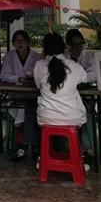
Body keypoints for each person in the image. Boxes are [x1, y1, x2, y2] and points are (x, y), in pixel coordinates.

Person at [33, 32, 90, 169]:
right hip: (71, 117)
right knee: (79, 118)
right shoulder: (74, 66)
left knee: (40, 117)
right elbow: (84, 79)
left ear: (44, 49)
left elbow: (37, 84)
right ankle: (76, 158)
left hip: (46, 117)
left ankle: (43, 157)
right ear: (64, 48)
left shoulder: (39, 65)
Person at [0, 30, 42, 162]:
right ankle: (34, 146)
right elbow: (3, 75)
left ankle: (24, 144)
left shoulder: (37, 57)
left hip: (33, 94)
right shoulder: (9, 56)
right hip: (16, 93)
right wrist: (17, 78)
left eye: (23, 40)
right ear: (13, 43)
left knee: (30, 109)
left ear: (28, 42)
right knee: (25, 109)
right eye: (17, 41)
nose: (20, 43)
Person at [63, 28, 96, 162]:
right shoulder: (63, 58)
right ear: (68, 45)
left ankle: (86, 149)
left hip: (85, 94)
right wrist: (80, 77)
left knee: (84, 113)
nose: (78, 48)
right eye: (74, 45)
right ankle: (80, 149)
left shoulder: (89, 57)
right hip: (67, 96)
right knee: (77, 113)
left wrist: (79, 79)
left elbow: (93, 75)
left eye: (80, 44)